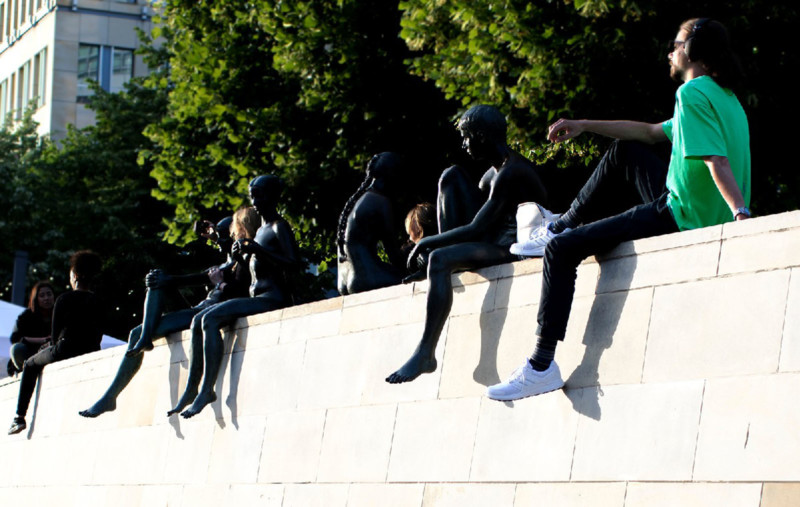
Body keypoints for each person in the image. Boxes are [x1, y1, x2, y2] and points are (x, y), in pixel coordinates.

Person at [487, 18, 750, 401]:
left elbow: (716, 160)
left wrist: (740, 213)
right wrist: (584, 125)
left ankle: (542, 365)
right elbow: (648, 133)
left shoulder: (692, 93)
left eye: (675, 44)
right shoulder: (725, 98)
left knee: (561, 252)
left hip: (681, 215)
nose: (670, 51)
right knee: (625, 151)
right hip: (691, 206)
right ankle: (563, 223)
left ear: (693, 51)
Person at [386, 104, 549, 384]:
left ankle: (426, 352)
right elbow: (471, 216)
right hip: (491, 239)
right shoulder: (490, 174)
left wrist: (425, 244)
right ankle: (442, 261)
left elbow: (476, 227)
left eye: (467, 137)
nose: (464, 144)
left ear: (482, 136)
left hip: (514, 247)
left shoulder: (512, 171)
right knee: (451, 175)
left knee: (438, 259)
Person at [78, 210, 257, 418]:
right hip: (198, 309)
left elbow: (242, 292)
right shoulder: (223, 263)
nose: (221, 243)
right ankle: (111, 394)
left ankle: (185, 381)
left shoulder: (240, 263)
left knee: (163, 290)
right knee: (137, 330)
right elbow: (189, 278)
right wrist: (163, 280)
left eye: (227, 237)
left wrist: (220, 283)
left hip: (206, 313)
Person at [169, 174, 300, 418]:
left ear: (272, 196)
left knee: (209, 319)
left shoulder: (278, 227)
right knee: (199, 319)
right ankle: (193, 388)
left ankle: (207, 390)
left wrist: (257, 249)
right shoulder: (260, 230)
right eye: (253, 194)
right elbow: (244, 268)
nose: (255, 200)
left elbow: (294, 263)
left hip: (272, 298)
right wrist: (242, 253)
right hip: (256, 296)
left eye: (259, 195)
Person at [9, 251, 104, 435]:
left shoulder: (64, 299)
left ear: (74, 276)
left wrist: (48, 346)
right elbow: (98, 334)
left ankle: (19, 418)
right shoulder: (98, 301)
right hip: (91, 349)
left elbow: (54, 337)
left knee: (29, 364)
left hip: (65, 348)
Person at [337, 152, 405, 295]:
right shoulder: (381, 202)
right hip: (367, 277)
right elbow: (392, 253)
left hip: (346, 279)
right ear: (392, 175)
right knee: (413, 280)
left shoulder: (357, 201)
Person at [7, 282, 55, 376]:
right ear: (36, 299)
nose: (46, 298)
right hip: (31, 353)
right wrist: (43, 340)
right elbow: (15, 338)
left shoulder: (60, 313)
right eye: (42, 295)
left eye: (49, 294)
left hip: (51, 352)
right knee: (16, 349)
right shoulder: (26, 316)